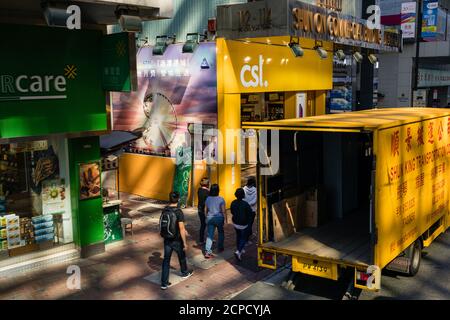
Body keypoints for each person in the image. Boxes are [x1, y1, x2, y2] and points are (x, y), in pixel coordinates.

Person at [160, 191, 193, 290]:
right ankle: (184, 272)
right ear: (178, 200)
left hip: (167, 239)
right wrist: (184, 242)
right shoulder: (178, 212)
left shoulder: (165, 210)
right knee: (181, 256)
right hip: (176, 239)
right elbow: (181, 228)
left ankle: (164, 283)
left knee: (166, 260)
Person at [230, 188, 253, 261]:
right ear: (243, 195)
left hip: (235, 223)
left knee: (238, 236)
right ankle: (239, 251)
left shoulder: (233, 202)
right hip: (243, 224)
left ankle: (239, 248)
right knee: (243, 238)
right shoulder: (245, 204)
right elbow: (250, 213)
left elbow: (232, 212)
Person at [204, 184, 226, 259]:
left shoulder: (208, 199)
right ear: (218, 190)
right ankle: (220, 247)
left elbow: (205, 210)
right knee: (221, 233)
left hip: (210, 218)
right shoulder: (221, 199)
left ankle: (207, 251)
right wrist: (226, 220)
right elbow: (223, 211)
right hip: (219, 218)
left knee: (210, 235)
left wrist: (206, 217)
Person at [243, 177, 257, 243]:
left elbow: (242, 199)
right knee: (250, 224)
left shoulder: (243, 189)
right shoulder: (256, 190)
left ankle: (250, 235)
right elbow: (255, 201)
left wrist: (246, 204)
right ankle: (246, 238)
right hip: (252, 210)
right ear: (253, 183)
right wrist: (250, 204)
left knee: (247, 223)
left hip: (245, 209)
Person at [197, 178, 210, 245]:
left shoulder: (199, 190)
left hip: (199, 210)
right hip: (206, 211)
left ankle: (201, 240)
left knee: (203, 225)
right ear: (207, 184)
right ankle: (209, 238)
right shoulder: (208, 192)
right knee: (209, 225)